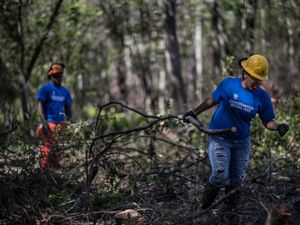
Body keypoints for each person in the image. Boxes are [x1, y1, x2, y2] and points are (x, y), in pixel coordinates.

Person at [183, 54, 289, 210]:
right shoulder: (228, 85)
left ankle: (229, 213)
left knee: (236, 181)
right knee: (219, 174)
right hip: (219, 137)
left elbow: (267, 121)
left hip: (241, 143)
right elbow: (211, 100)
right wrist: (194, 112)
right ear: (246, 73)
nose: (258, 83)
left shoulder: (262, 97)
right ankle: (204, 209)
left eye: (260, 80)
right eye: (255, 78)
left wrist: (278, 126)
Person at [36, 63, 73, 170]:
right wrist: (43, 122)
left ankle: (55, 170)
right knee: (47, 147)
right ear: (51, 76)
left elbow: (68, 107)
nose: (58, 78)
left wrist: (69, 121)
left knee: (58, 148)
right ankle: (44, 170)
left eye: (60, 75)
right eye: (55, 76)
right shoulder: (45, 89)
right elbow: (40, 104)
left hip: (61, 123)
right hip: (49, 122)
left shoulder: (65, 91)